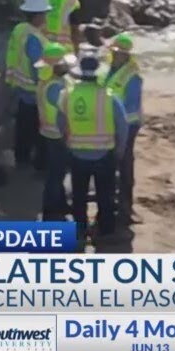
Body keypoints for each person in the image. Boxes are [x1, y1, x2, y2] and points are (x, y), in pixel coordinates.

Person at [57, 53, 129, 243]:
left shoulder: (67, 95)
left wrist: (68, 143)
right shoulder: (109, 97)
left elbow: (60, 123)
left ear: (79, 74)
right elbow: (123, 127)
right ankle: (105, 230)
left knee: (79, 195)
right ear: (99, 74)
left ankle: (80, 229)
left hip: (77, 154)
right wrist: (120, 150)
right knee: (105, 195)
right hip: (104, 154)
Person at [6, 0, 52, 171]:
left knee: (23, 126)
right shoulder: (34, 38)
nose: (46, 16)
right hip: (34, 90)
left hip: (20, 86)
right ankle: (38, 164)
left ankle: (22, 157)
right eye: (44, 13)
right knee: (40, 128)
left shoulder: (20, 29)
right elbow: (37, 66)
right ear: (38, 15)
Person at [103, 33, 143, 227]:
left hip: (127, 127)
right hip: (109, 126)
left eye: (120, 53)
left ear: (127, 55)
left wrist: (120, 129)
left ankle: (126, 208)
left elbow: (131, 108)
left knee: (125, 165)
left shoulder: (132, 76)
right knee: (110, 166)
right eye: (115, 52)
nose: (116, 56)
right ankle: (111, 205)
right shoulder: (109, 70)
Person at [36, 42, 72, 221]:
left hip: (49, 132)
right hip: (57, 135)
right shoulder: (55, 87)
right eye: (64, 64)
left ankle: (59, 204)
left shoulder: (46, 81)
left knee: (56, 172)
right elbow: (65, 112)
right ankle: (52, 211)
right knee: (56, 175)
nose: (67, 66)